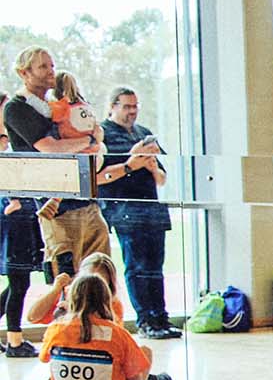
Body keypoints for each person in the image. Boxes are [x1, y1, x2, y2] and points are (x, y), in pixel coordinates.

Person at [4, 48, 108, 278]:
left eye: (52, 65)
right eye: (43, 67)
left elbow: (92, 131)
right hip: (55, 210)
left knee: (100, 278)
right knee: (65, 280)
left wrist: (91, 138)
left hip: (86, 201)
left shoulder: (58, 106)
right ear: (24, 72)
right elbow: (50, 147)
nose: (51, 71)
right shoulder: (17, 108)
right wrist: (88, 139)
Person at [96, 87, 177, 339]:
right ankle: (145, 321)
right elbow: (98, 178)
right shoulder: (102, 135)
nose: (132, 112)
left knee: (156, 266)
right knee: (138, 265)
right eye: (126, 107)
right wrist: (131, 164)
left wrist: (151, 166)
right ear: (112, 106)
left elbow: (162, 178)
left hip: (152, 208)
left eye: (135, 106)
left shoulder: (144, 134)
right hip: (124, 209)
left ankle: (161, 318)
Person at [39, 272, 149, 380]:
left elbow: (44, 358)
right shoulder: (118, 333)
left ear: (72, 299)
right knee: (158, 377)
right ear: (105, 299)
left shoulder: (55, 329)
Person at [1, 191, 41, 357]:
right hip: (17, 221)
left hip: (18, 218)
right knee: (19, 283)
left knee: (18, 283)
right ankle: (14, 342)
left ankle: (14, 340)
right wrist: (15, 201)